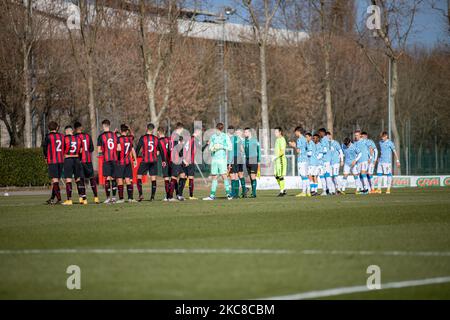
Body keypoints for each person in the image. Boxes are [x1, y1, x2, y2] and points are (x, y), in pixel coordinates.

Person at [203, 123, 232, 200]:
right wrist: (213, 148)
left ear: (221, 129)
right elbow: (210, 147)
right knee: (214, 177)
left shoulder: (225, 136)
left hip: (222, 159)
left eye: (218, 129)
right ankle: (212, 196)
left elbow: (230, 147)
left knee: (224, 176)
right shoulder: (213, 136)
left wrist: (221, 146)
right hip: (214, 159)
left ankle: (228, 194)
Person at [74, 122, 99, 204]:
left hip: (79, 161)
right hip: (88, 161)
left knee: (80, 179)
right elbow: (91, 149)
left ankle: (83, 199)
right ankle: (96, 197)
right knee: (92, 178)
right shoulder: (88, 136)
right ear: (81, 128)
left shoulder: (74, 137)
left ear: (75, 129)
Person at [98, 119, 120, 204]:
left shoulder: (101, 136)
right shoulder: (115, 136)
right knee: (114, 178)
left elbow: (99, 150)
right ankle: (114, 198)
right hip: (114, 159)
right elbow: (119, 148)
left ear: (103, 126)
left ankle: (108, 198)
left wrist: (105, 150)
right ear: (109, 125)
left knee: (107, 178)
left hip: (106, 159)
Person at [136, 123, 159, 201]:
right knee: (153, 178)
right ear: (153, 130)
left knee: (139, 176)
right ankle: (152, 197)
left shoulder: (143, 138)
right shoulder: (156, 138)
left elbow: (138, 148)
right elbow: (159, 151)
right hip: (154, 160)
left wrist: (135, 158)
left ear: (147, 128)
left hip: (145, 160)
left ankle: (141, 194)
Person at [42, 121, 64, 205]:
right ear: (57, 128)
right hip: (61, 160)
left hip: (52, 160)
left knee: (55, 180)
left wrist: (45, 157)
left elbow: (44, 148)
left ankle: (59, 199)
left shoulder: (48, 137)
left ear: (49, 128)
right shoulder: (62, 136)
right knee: (56, 181)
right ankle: (51, 198)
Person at [62, 125, 85, 205]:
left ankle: (69, 200)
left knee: (68, 180)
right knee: (78, 179)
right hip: (77, 159)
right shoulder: (78, 138)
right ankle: (81, 198)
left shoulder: (65, 138)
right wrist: (79, 158)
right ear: (72, 131)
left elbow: (62, 150)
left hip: (68, 160)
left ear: (67, 131)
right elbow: (81, 150)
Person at [116, 124, 137, 203]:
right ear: (126, 131)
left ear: (121, 131)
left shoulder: (118, 139)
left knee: (120, 180)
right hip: (128, 162)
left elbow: (119, 149)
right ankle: (130, 198)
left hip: (121, 162)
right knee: (128, 180)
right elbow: (132, 135)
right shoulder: (130, 139)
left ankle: (121, 199)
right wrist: (130, 128)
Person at [169, 122, 188, 201]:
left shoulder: (173, 136)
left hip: (177, 160)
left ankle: (179, 195)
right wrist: (184, 160)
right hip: (176, 160)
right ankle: (170, 197)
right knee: (174, 177)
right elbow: (178, 149)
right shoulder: (176, 136)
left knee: (183, 175)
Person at [290, 126, 309, 197]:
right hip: (306, 159)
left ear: (298, 131)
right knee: (305, 176)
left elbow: (298, 151)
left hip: (301, 160)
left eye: (295, 132)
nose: (295, 133)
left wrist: (294, 146)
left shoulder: (299, 139)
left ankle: (304, 192)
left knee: (303, 176)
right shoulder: (305, 139)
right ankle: (308, 191)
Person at [228, 126, 246, 199]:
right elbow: (242, 150)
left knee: (233, 176)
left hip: (233, 159)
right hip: (240, 159)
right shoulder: (239, 139)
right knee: (238, 175)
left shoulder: (231, 139)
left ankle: (234, 194)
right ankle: (238, 193)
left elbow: (231, 152)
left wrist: (229, 162)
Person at [185, 127, 202, 200]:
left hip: (184, 160)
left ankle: (179, 195)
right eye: (200, 133)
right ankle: (191, 196)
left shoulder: (188, 138)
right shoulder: (195, 139)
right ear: (197, 132)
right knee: (191, 178)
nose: (200, 135)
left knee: (183, 178)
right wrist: (207, 144)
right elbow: (201, 149)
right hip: (189, 161)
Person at [243, 128, 261, 198]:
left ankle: (254, 193)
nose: (245, 134)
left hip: (253, 159)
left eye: (246, 132)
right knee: (250, 177)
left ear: (249, 133)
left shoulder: (254, 140)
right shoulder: (244, 141)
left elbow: (258, 150)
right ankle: (252, 192)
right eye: (244, 132)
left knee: (253, 177)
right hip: (247, 160)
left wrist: (259, 160)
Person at [157, 127, 172, 201]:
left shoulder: (158, 141)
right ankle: (176, 195)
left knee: (166, 178)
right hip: (171, 161)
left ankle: (167, 196)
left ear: (158, 132)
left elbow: (157, 153)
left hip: (164, 162)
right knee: (173, 178)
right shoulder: (169, 139)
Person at [354, 130, 370, 194]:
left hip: (364, 160)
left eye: (357, 135)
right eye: (355, 135)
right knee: (360, 174)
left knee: (363, 173)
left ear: (360, 135)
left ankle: (366, 188)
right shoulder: (355, 143)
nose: (356, 136)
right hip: (358, 161)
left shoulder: (365, 141)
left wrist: (370, 157)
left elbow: (371, 148)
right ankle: (363, 188)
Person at [318, 128, 333, 195]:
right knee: (326, 175)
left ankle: (327, 190)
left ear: (323, 133)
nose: (319, 134)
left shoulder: (324, 139)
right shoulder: (327, 139)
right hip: (327, 160)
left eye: (320, 133)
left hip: (325, 160)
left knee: (325, 175)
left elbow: (324, 150)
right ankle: (328, 190)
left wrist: (318, 156)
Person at [273, 127, 287, 197]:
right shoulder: (277, 140)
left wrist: (276, 156)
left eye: (276, 132)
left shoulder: (282, 139)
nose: (275, 133)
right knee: (276, 175)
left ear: (280, 132)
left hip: (281, 160)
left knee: (280, 176)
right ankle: (283, 189)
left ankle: (282, 191)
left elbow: (282, 151)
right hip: (277, 161)